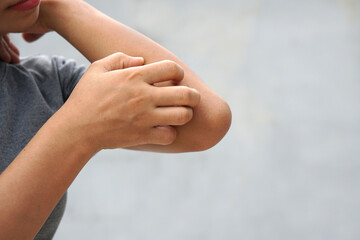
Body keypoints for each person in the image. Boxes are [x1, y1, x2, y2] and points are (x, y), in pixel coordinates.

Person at [0, 0, 232, 239]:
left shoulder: (42, 83)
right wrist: (76, 130)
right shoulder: (70, 106)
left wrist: (61, 9)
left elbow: (206, 120)